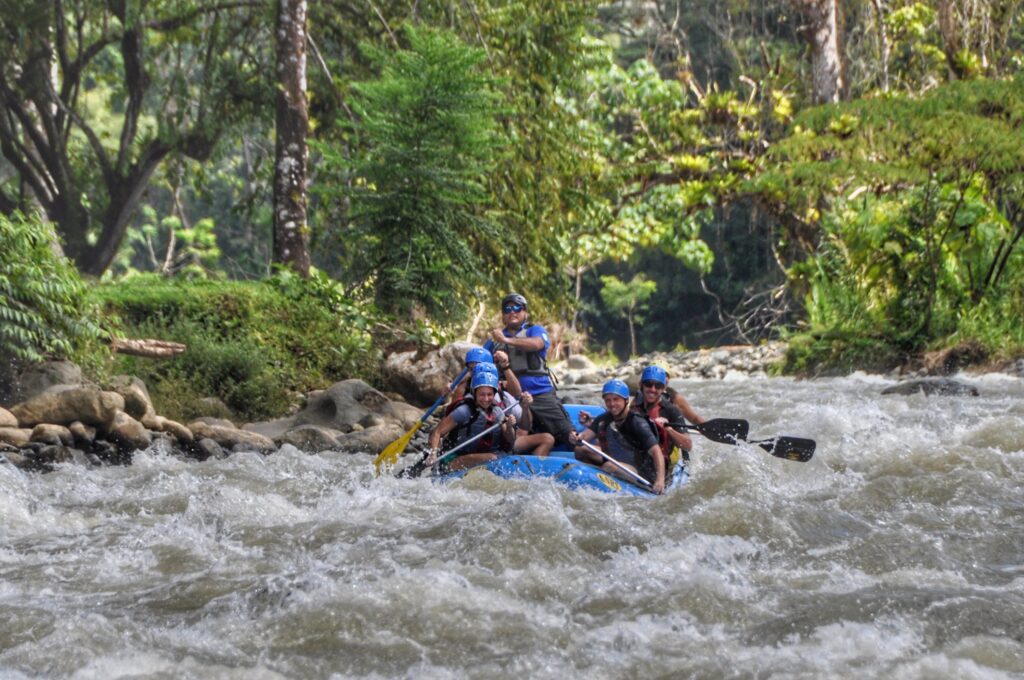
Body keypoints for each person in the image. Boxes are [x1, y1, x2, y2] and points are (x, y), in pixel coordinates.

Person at [489, 293, 576, 448]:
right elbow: (477, 361)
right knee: (504, 434)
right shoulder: (495, 341)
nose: (512, 312)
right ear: (503, 316)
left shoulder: (535, 330)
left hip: (540, 394)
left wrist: (505, 340)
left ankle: (580, 451)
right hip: (512, 398)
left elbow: (537, 344)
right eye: (507, 309)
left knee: (568, 434)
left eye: (517, 307)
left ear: (525, 312)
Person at [574, 379, 666, 494]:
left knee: (609, 466)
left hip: (638, 471)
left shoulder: (637, 422)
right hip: (617, 460)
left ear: (626, 400)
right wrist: (574, 436)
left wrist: (660, 480)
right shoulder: (604, 418)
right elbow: (583, 438)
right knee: (580, 449)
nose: (612, 404)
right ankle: (587, 477)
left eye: (616, 399)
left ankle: (596, 481)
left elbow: (656, 451)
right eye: (608, 400)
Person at [425, 369, 517, 472]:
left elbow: (511, 440)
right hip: (454, 460)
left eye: (489, 394)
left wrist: (509, 426)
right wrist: (433, 454)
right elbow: (437, 432)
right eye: (482, 394)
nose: (486, 399)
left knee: (499, 456)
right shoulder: (464, 411)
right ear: (475, 393)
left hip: (482, 457)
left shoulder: (498, 412)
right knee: (493, 458)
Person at [633, 365, 702, 464]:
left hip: (663, 460)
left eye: (658, 386)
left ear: (663, 388)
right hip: (641, 457)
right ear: (641, 385)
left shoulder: (671, 410)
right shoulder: (634, 405)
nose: (653, 389)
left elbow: (688, 445)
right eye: (648, 384)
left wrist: (669, 429)